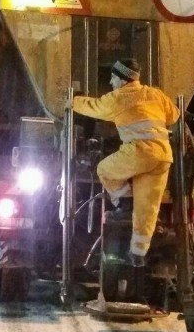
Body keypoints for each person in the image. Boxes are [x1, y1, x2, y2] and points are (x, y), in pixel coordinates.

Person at [71, 58, 179, 267]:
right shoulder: (154, 93)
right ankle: (137, 254)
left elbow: (95, 107)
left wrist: (73, 102)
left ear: (122, 79)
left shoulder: (119, 97)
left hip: (139, 152)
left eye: (113, 78)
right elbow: (173, 115)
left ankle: (125, 202)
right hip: (163, 156)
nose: (111, 82)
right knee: (147, 209)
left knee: (105, 169)